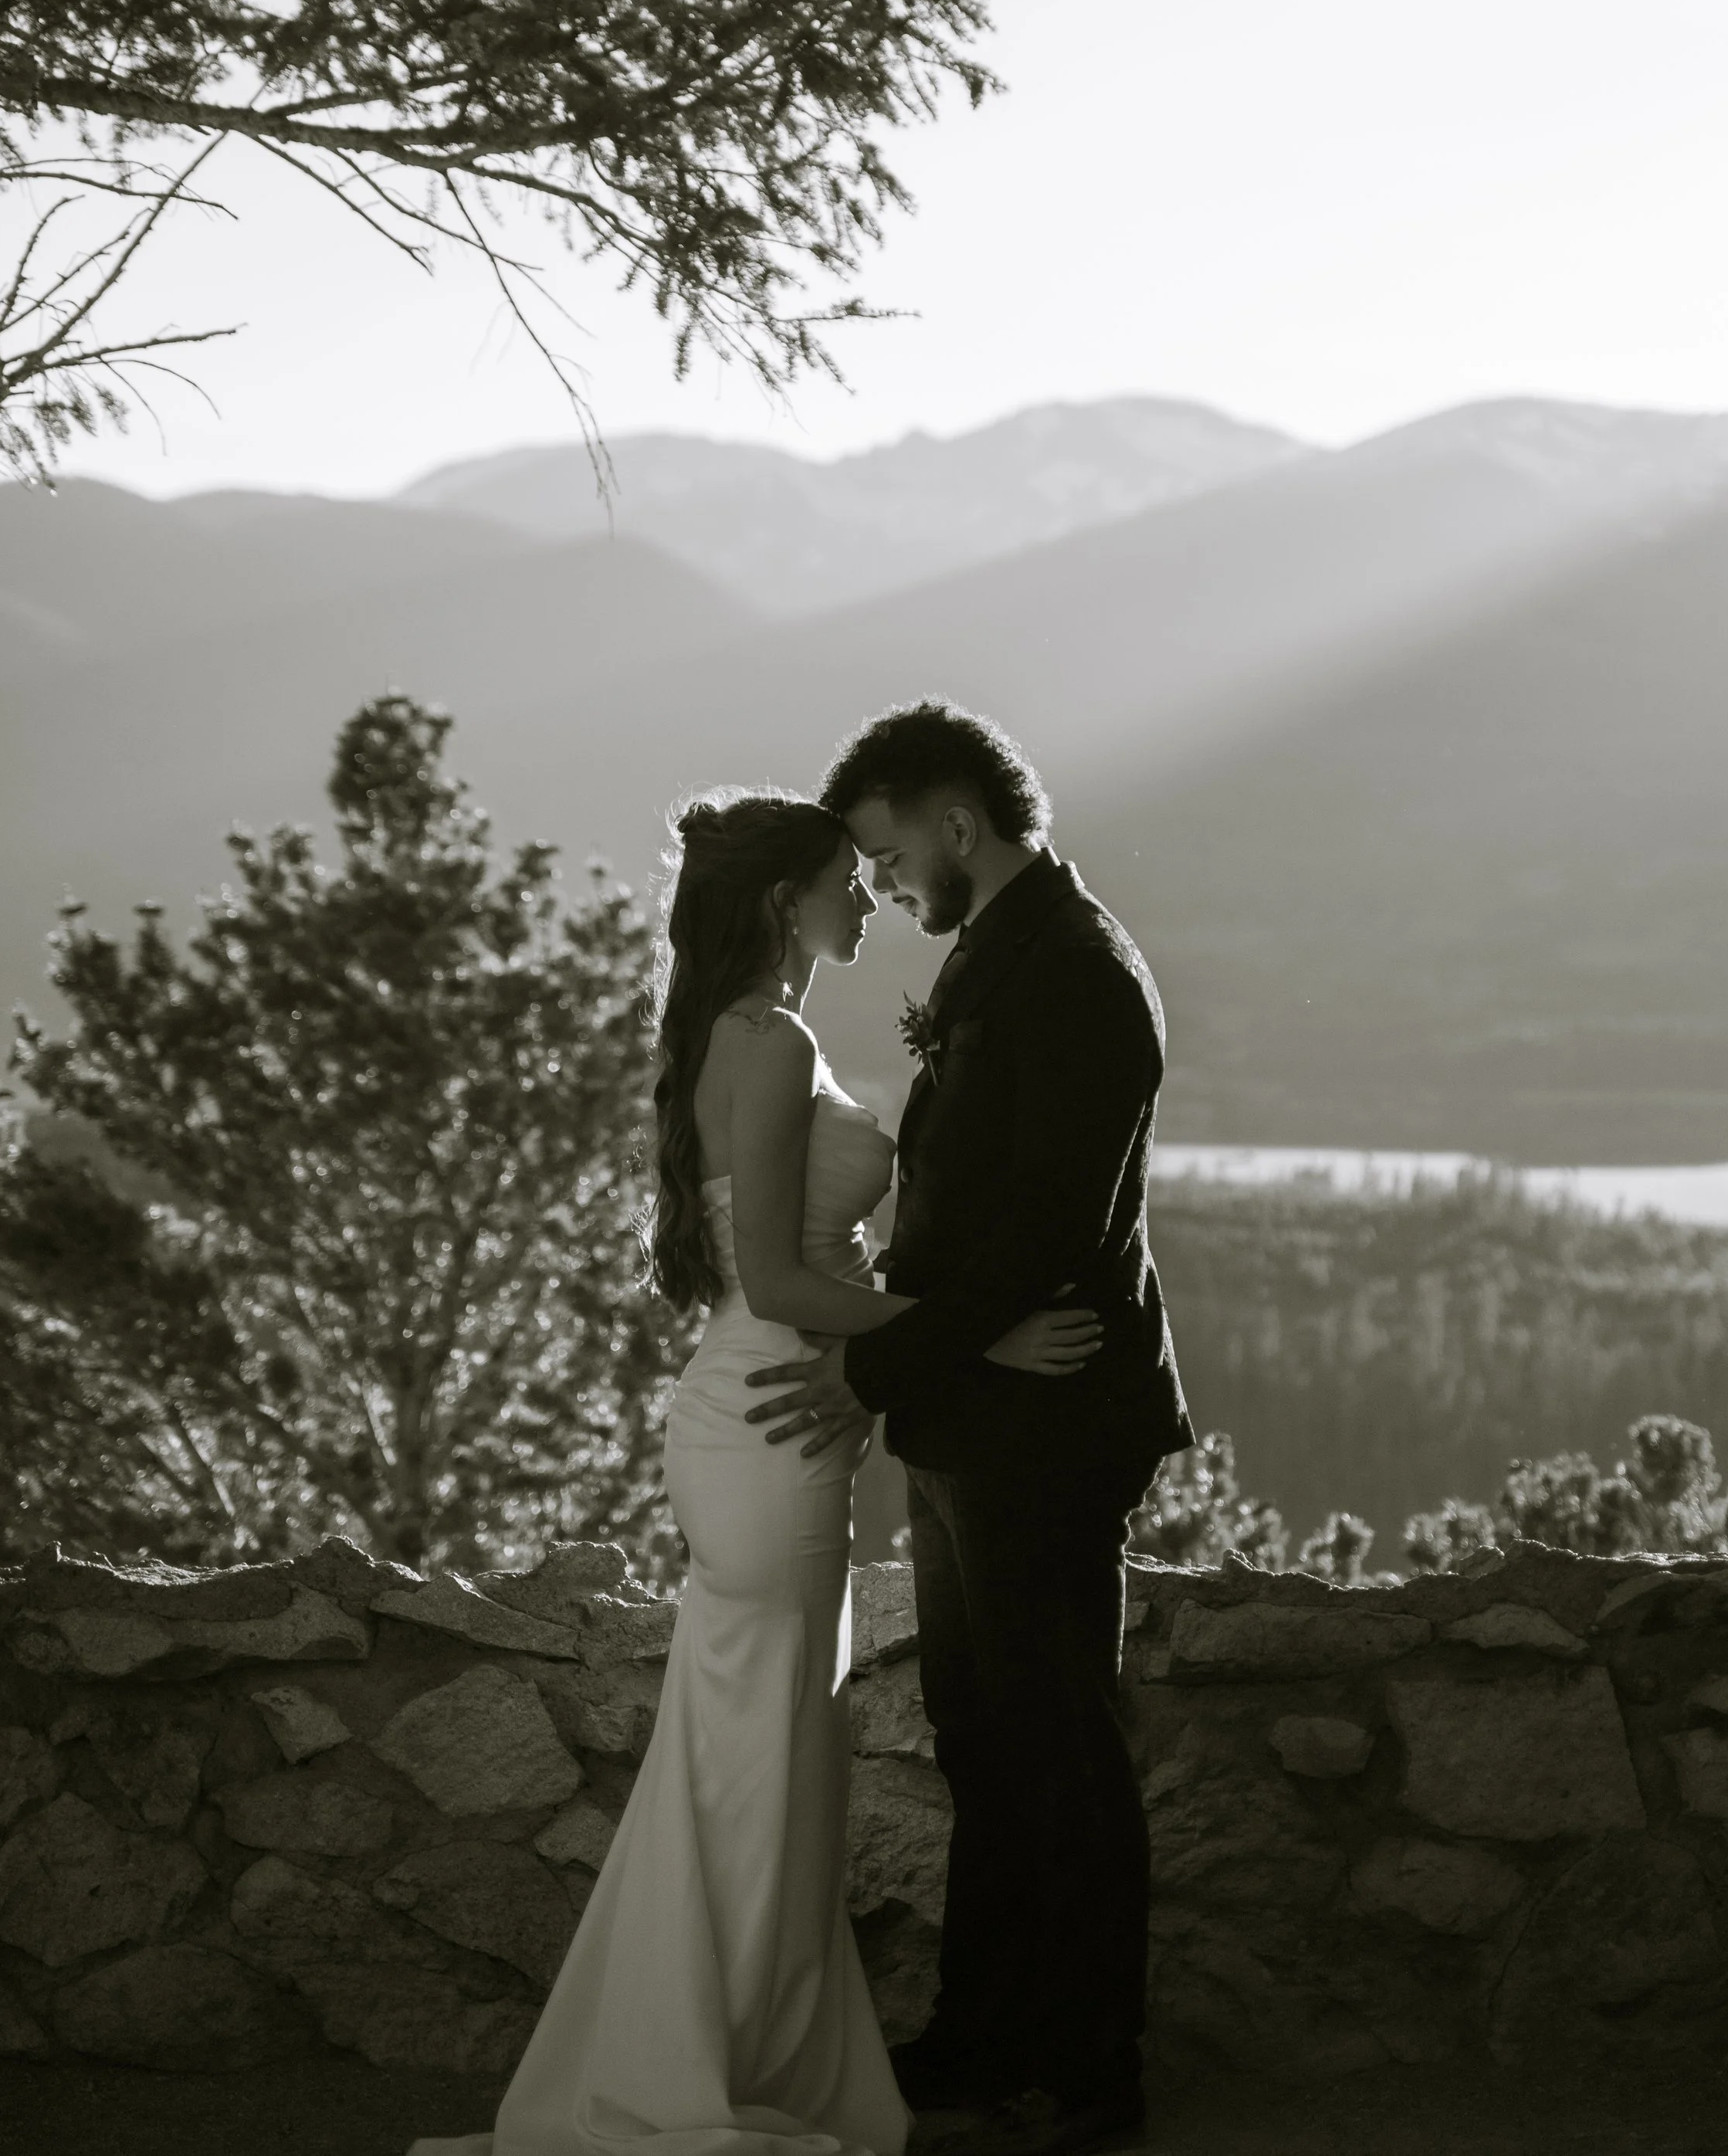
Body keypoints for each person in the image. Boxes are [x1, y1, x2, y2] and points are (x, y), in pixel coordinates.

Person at [412, 789, 1101, 2156]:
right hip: (766, 1423)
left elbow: (788, 1267)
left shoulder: (740, 1036)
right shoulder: (767, 1042)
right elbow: (782, 1277)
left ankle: (750, 2062)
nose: (866, 899)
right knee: (758, 1753)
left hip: (774, 1414)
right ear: (785, 902)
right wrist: (982, 1337)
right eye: (847, 881)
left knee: (770, 1750)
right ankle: (700, 2076)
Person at [744, 704, 1192, 2156]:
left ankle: (1092, 2067)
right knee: (979, 1733)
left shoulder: (1078, 972)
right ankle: (986, 2033)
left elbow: (1048, 1226)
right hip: (966, 1404)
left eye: (884, 858)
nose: (878, 889)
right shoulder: (1003, 957)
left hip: (1050, 1415)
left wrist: (878, 1371)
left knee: (1058, 1735)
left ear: (957, 822)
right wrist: (929, 1357)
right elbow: (967, 1223)